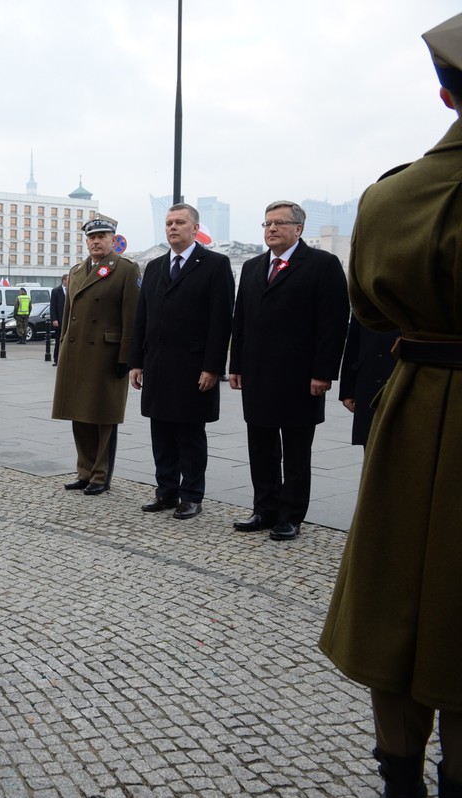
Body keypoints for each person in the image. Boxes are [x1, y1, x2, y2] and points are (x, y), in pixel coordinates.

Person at [320, 13, 462, 796]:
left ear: (445, 94)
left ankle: (398, 773)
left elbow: (372, 311)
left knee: (395, 590)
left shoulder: (392, 197)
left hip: (416, 407)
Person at [227, 201, 349, 541]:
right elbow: (241, 321)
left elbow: (333, 323)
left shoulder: (322, 265)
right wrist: (235, 365)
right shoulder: (252, 267)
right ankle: (264, 508)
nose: (271, 229)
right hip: (258, 373)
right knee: (261, 445)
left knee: (296, 451)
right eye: (266, 223)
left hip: (300, 376)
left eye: (280, 223)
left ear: (299, 229)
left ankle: (291, 514)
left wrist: (323, 372)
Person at [128, 203, 234, 520]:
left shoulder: (214, 264)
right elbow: (141, 317)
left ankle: (191, 495)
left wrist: (213, 366)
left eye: (180, 222)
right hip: (157, 365)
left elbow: (221, 321)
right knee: (160, 434)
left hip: (193, 367)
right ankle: (166, 491)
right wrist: (136, 362)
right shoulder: (156, 266)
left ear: (194, 227)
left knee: (189, 435)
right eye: (169, 223)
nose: (173, 228)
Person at [52, 216, 140, 496]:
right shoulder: (77, 270)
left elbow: (132, 316)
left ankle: (101, 475)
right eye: (92, 237)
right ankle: (84, 471)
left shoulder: (125, 269)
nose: (96, 241)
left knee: (103, 416)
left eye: (102, 236)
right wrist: (63, 345)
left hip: (107, 353)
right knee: (79, 414)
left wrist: (126, 356)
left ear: (113, 240)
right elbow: (68, 316)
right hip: (77, 352)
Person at [338, 315, 398, 448]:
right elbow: (353, 345)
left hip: (399, 379)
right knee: (370, 442)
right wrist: (347, 391)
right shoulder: (366, 296)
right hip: (369, 381)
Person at [49, 274, 68, 366]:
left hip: (68, 321)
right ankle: (56, 359)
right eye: (68, 280)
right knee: (58, 341)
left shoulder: (72, 291)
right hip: (59, 321)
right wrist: (54, 319)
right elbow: (52, 307)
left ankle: (66, 359)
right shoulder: (56, 291)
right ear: (63, 280)